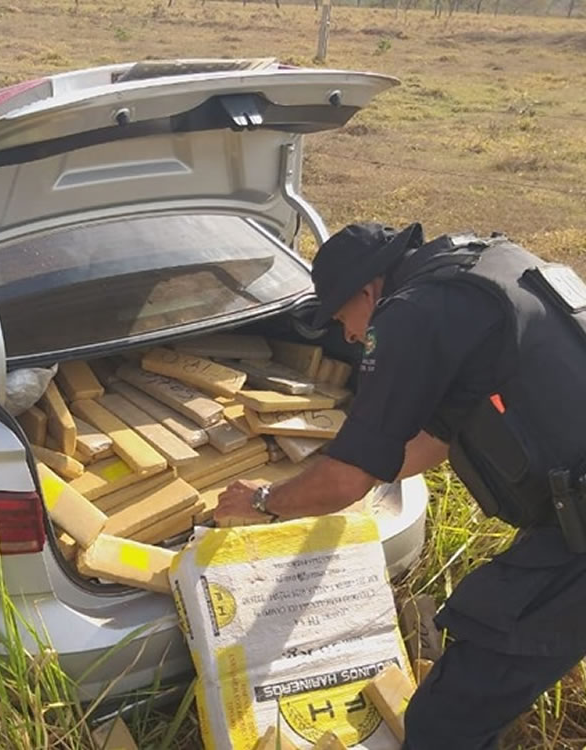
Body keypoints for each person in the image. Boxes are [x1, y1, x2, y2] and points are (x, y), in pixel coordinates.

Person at [215, 222, 586, 750]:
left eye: (343, 318)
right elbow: (435, 439)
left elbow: (347, 478)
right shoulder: (483, 266)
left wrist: (263, 500)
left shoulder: (411, 313)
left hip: (577, 540)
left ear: (367, 290)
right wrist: (346, 471)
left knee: (444, 721)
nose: (347, 336)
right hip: (570, 509)